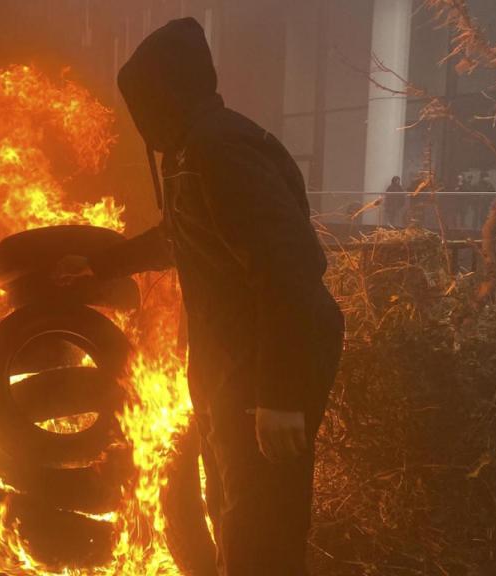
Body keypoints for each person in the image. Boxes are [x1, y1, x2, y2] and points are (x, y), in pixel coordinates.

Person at [54, 18, 343, 575]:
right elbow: (179, 234)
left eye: (142, 102)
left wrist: (279, 397)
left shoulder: (222, 151)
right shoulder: (192, 150)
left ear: (167, 94)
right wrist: (102, 264)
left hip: (265, 369)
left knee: (263, 527)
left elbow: (289, 268)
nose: (139, 120)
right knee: (235, 514)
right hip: (231, 367)